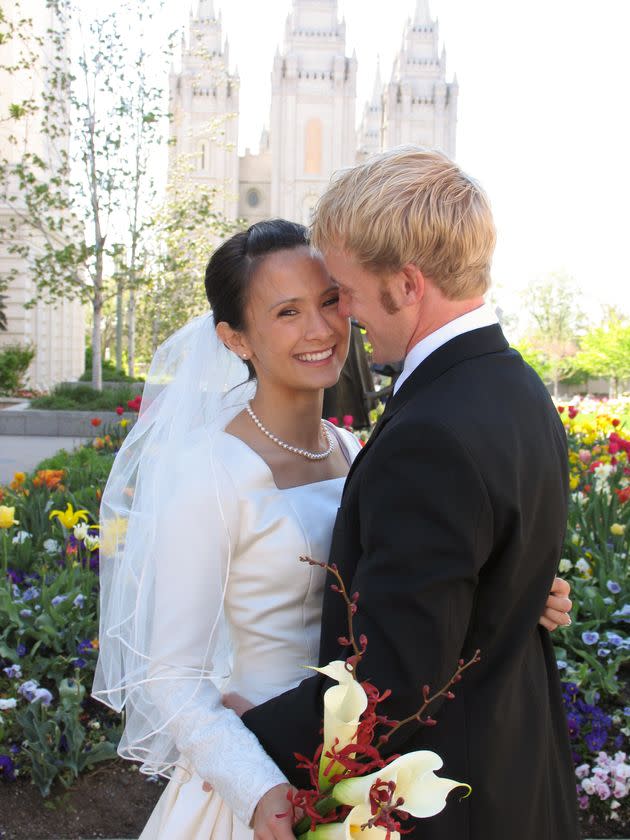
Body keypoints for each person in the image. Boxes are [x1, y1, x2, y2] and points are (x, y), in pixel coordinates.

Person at [92, 218, 571, 840]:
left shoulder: (355, 449)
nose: (320, 329)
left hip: (375, 766)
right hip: (271, 778)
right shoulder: (207, 469)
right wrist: (255, 784)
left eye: (328, 300)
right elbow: (169, 677)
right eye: (286, 312)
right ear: (235, 338)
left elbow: (414, 597)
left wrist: (514, 592)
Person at [235, 151, 580, 840]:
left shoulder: (433, 434)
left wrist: (244, 735)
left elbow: (395, 682)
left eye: (348, 290)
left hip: (446, 805)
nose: (342, 313)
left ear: (408, 283)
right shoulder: (517, 389)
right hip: (517, 775)